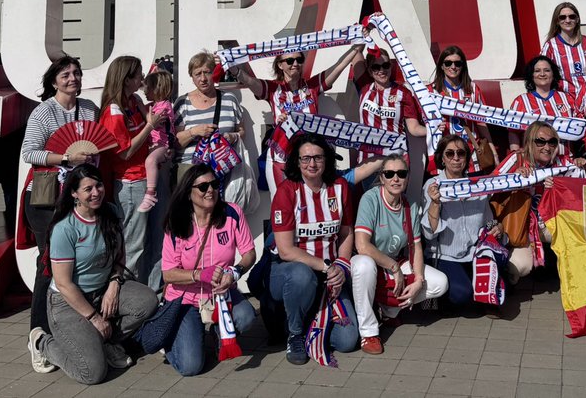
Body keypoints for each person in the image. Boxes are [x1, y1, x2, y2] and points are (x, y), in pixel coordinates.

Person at [27, 165, 158, 384]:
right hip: (68, 302)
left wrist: (114, 286)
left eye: (98, 185)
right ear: (74, 193)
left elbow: (120, 258)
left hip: (102, 289)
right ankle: (42, 342)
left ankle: (103, 343)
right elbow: (64, 283)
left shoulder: (111, 212)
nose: (96, 192)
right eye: (87, 189)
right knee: (92, 373)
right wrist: (95, 318)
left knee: (147, 301)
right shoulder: (65, 228)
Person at [20, 55, 100, 359]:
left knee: (80, 262)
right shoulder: (43, 112)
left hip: (80, 197)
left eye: (76, 73)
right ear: (54, 81)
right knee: (49, 264)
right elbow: (29, 153)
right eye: (65, 74)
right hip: (46, 199)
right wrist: (66, 158)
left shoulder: (90, 108)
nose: (72, 79)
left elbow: (98, 145)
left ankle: (73, 327)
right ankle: (37, 336)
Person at [157, 163, 258, 376]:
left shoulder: (232, 212)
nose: (210, 190)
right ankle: (171, 341)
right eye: (202, 187)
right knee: (190, 367)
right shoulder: (177, 222)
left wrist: (234, 273)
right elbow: (168, 273)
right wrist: (198, 274)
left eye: (214, 184)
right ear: (188, 193)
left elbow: (249, 253)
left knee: (247, 317)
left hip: (222, 294)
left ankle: (215, 331)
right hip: (185, 299)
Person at [268, 133, 359, 364]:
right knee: (301, 276)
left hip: (328, 273)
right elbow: (286, 250)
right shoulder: (287, 191)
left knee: (347, 341)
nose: (312, 164)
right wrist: (327, 266)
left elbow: (347, 232)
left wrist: (341, 265)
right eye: (306, 158)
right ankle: (296, 334)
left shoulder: (339, 187)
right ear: (296, 162)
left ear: (326, 160)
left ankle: (311, 319)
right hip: (290, 272)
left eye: (318, 158)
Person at [230, 43, 365, 189]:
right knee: (282, 204)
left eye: (299, 60)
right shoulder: (272, 89)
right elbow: (249, 80)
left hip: (309, 160)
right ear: (280, 65)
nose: (295, 64)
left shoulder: (312, 87)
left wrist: (359, 45)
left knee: (309, 204)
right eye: (289, 61)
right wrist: (232, 68)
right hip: (281, 159)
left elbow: (339, 66)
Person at [351, 154, 448, 353]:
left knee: (440, 282)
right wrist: (394, 268)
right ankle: (368, 333)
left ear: (407, 178)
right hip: (371, 261)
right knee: (363, 265)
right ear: (382, 177)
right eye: (389, 173)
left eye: (401, 174)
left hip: (394, 261)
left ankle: (390, 310)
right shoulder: (371, 199)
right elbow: (362, 245)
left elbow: (416, 246)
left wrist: (419, 280)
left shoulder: (410, 204)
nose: (396, 178)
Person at [421, 134, 504, 309]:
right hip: (446, 255)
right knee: (462, 294)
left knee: (501, 283)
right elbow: (429, 233)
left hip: (474, 253)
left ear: (467, 158)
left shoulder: (477, 185)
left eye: (461, 153)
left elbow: (488, 222)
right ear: (442, 159)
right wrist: (436, 203)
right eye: (450, 154)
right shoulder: (433, 185)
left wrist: (498, 227)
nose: (456, 158)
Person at [98, 55, 161, 281]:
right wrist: (150, 127)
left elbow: (150, 116)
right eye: (138, 74)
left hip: (145, 179)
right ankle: (129, 298)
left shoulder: (133, 101)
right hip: (131, 184)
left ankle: (151, 293)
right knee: (133, 245)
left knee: (152, 240)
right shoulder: (114, 111)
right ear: (126, 79)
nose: (142, 78)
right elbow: (124, 152)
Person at [498, 121, 569, 282]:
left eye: (552, 142)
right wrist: (513, 178)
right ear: (529, 142)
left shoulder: (561, 163)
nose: (547, 147)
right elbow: (491, 187)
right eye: (540, 141)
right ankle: (505, 279)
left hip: (548, 224)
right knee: (521, 266)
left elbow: (579, 182)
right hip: (520, 227)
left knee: (579, 236)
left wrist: (584, 166)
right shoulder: (516, 159)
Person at [349, 48, 429, 168]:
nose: (381, 70)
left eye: (385, 65)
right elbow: (355, 51)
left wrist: (433, 129)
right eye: (376, 67)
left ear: (391, 67)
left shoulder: (403, 93)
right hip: (367, 162)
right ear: (370, 71)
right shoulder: (364, 85)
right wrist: (364, 32)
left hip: (395, 161)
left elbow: (414, 128)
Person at [173, 51, 245, 176]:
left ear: (214, 73)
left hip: (223, 169)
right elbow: (174, 142)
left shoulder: (230, 100)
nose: (203, 79)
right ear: (192, 77)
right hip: (190, 170)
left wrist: (232, 137)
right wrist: (194, 132)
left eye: (207, 72)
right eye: (197, 74)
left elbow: (242, 131)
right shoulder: (182, 103)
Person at [429, 45, 498, 174]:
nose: (453, 67)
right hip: (444, 156)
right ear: (441, 66)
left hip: (472, 156)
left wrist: (492, 150)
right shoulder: (431, 91)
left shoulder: (473, 89)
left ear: (463, 66)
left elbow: (481, 122)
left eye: (457, 63)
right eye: (448, 63)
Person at [508, 55, 581, 160]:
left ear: (553, 74)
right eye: (537, 71)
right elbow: (513, 132)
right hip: (535, 164)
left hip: (566, 161)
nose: (542, 74)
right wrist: (516, 158)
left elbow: (579, 126)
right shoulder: (521, 101)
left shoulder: (566, 98)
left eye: (547, 70)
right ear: (531, 75)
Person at [139, 70, 175, 212]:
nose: (144, 91)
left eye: (147, 88)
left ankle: (150, 194)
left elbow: (154, 121)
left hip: (162, 144)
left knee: (150, 161)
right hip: (154, 144)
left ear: (157, 88)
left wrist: (141, 106)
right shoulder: (155, 104)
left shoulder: (165, 106)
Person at [541, 1, 586, 88]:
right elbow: (542, 72)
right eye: (562, 17)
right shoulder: (550, 45)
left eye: (572, 17)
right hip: (566, 97)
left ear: (577, 19)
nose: (567, 20)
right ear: (557, 21)